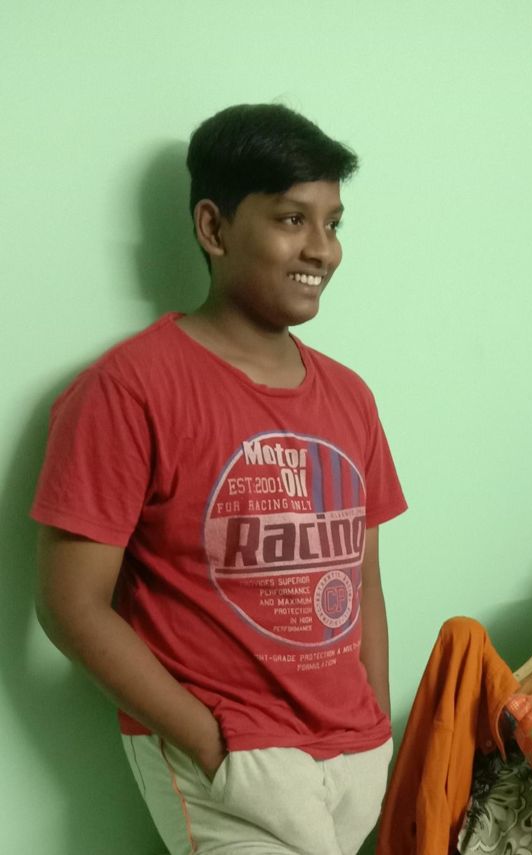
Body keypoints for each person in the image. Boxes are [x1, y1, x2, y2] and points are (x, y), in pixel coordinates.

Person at [32, 103, 407, 855]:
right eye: (292, 219)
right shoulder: (130, 388)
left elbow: (362, 576)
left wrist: (375, 726)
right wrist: (215, 746)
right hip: (232, 764)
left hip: (354, 760)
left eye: (334, 223)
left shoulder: (350, 396)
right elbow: (70, 605)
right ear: (213, 227)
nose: (323, 249)